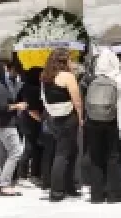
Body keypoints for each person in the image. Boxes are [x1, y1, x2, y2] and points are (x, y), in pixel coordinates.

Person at [85, 49, 121, 204]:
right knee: (113, 158)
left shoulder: (93, 79)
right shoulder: (120, 79)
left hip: (93, 121)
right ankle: (114, 194)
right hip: (112, 122)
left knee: (96, 158)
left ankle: (96, 195)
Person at [41, 52, 84, 202]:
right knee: (63, 153)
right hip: (68, 117)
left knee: (70, 151)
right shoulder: (67, 76)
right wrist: (80, 118)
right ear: (65, 61)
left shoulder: (45, 76)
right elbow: (76, 100)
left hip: (54, 117)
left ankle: (68, 186)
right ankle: (57, 191)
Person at [0, 61, 28, 196]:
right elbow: (3, 107)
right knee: (16, 152)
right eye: (4, 70)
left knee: (0, 155)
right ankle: (5, 184)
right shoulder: (0, 87)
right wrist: (18, 106)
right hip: (6, 124)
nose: (7, 72)